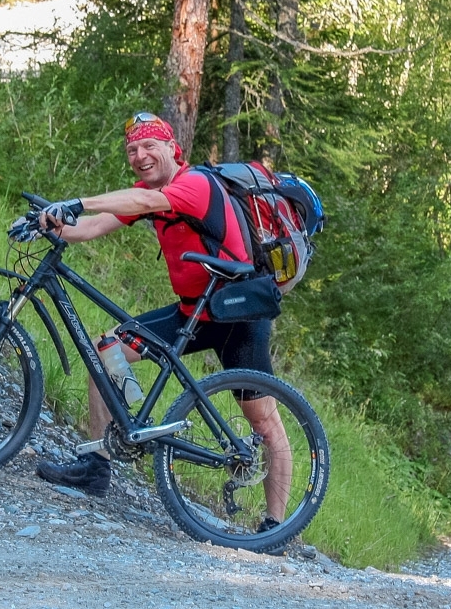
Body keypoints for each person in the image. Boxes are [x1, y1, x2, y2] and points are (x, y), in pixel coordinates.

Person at [18, 112, 291, 530]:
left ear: (171, 148)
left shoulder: (195, 184)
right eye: (132, 150)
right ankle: (98, 464)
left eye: (149, 146)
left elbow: (140, 204)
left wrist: (78, 202)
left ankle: (276, 526)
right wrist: (44, 226)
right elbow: (90, 228)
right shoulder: (149, 193)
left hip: (238, 314)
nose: (140, 155)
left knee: (264, 421)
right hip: (193, 312)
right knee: (105, 351)